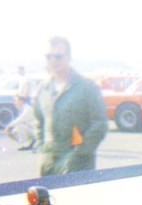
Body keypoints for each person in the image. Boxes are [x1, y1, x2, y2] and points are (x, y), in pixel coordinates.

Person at [33, 36, 108, 176]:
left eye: (58, 57)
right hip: (48, 161)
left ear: (69, 57)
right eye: (49, 57)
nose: (53, 61)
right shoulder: (43, 89)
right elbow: (38, 121)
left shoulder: (87, 87)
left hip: (77, 163)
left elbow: (100, 124)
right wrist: (42, 149)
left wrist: (80, 153)